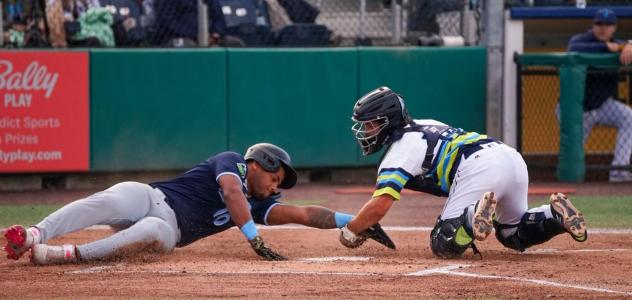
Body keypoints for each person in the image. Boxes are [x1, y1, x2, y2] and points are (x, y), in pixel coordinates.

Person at [4, 143, 392, 265]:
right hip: (154, 197)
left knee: (155, 231)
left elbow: (306, 214)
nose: (275, 187)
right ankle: (35, 233)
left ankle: (61, 254)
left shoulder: (257, 204)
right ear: (258, 164)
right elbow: (231, 193)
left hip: (168, 229)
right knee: (118, 194)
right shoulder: (232, 163)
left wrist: (356, 221)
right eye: (274, 178)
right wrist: (254, 239)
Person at [338, 87, 587, 258]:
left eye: (372, 124)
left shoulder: (399, 151)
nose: (366, 131)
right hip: (509, 156)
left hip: (478, 166)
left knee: (443, 244)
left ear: (389, 121)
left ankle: (469, 217)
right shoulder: (425, 123)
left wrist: (350, 231)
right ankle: (552, 215)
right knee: (512, 233)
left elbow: (379, 205)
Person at [567, 8, 632, 183]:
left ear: (614, 27)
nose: (604, 28)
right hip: (576, 110)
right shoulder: (581, 40)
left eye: (608, 24)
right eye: (600, 24)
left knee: (629, 117)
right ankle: (572, 180)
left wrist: (629, 43)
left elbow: (625, 44)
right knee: (574, 151)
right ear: (593, 25)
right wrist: (604, 47)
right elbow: (573, 47)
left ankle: (619, 171)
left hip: (603, 106)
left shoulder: (619, 44)